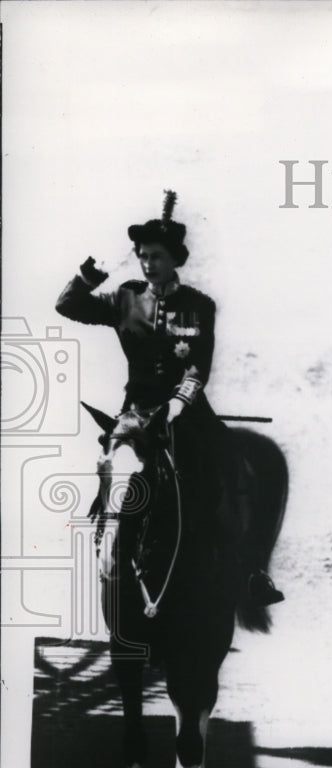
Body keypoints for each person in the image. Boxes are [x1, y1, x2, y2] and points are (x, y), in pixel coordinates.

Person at [55, 191, 283, 606]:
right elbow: (68, 304)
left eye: (156, 256)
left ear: (175, 259)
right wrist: (92, 274)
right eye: (142, 255)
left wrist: (179, 402)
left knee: (226, 467)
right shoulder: (124, 299)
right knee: (115, 473)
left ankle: (248, 571)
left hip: (185, 410)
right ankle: (111, 559)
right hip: (137, 410)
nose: (148, 263)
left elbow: (199, 367)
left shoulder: (199, 307)